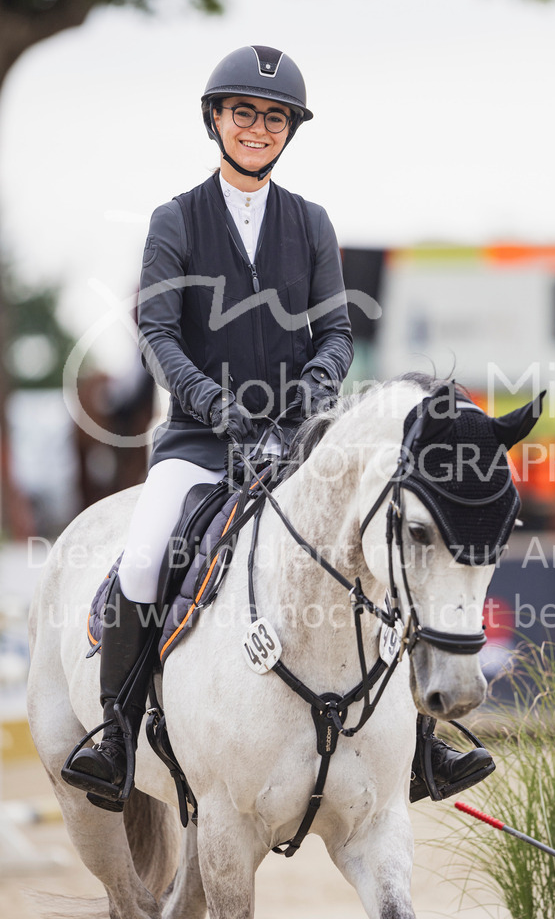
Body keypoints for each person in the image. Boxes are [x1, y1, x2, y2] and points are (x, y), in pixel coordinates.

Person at [62, 44, 493, 809]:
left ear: (288, 129)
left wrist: (311, 396)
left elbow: (335, 332)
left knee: (380, 551)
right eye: (243, 113)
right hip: (198, 442)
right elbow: (158, 335)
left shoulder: (311, 223)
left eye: (272, 116)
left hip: (301, 442)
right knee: (142, 562)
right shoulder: (176, 220)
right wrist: (217, 406)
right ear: (216, 120)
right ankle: (116, 737)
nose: (257, 127)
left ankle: (425, 745)